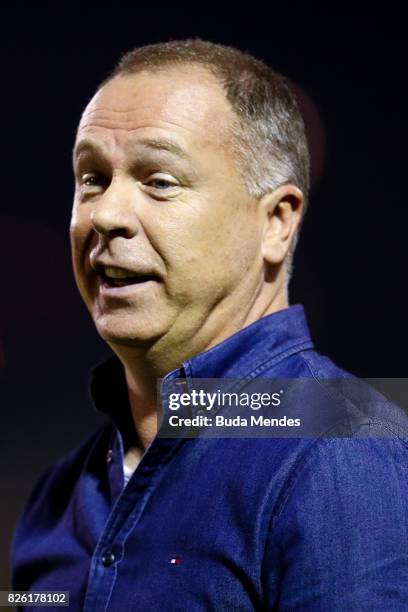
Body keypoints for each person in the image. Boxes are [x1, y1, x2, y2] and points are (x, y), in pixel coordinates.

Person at [12, 39, 408, 611]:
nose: (106, 215)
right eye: (92, 177)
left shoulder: (346, 455)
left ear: (276, 221)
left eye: (160, 180)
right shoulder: (54, 497)